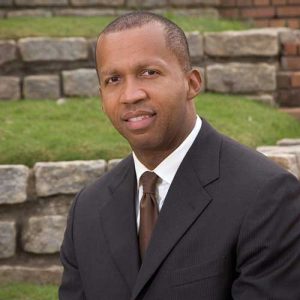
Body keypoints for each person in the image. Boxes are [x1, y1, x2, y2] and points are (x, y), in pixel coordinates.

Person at [59, 12, 300, 300]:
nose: (130, 95)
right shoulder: (87, 209)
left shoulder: (266, 196)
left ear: (192, 83)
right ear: (102, 97)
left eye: (149, 72)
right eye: (113, 79)